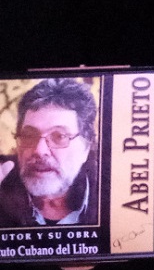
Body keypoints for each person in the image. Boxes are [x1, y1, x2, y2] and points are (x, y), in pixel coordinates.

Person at [0, 78, 100, 227]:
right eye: (29, 135)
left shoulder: (112, 196)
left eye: (59, 136)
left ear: (86, 147)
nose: (39, 151)